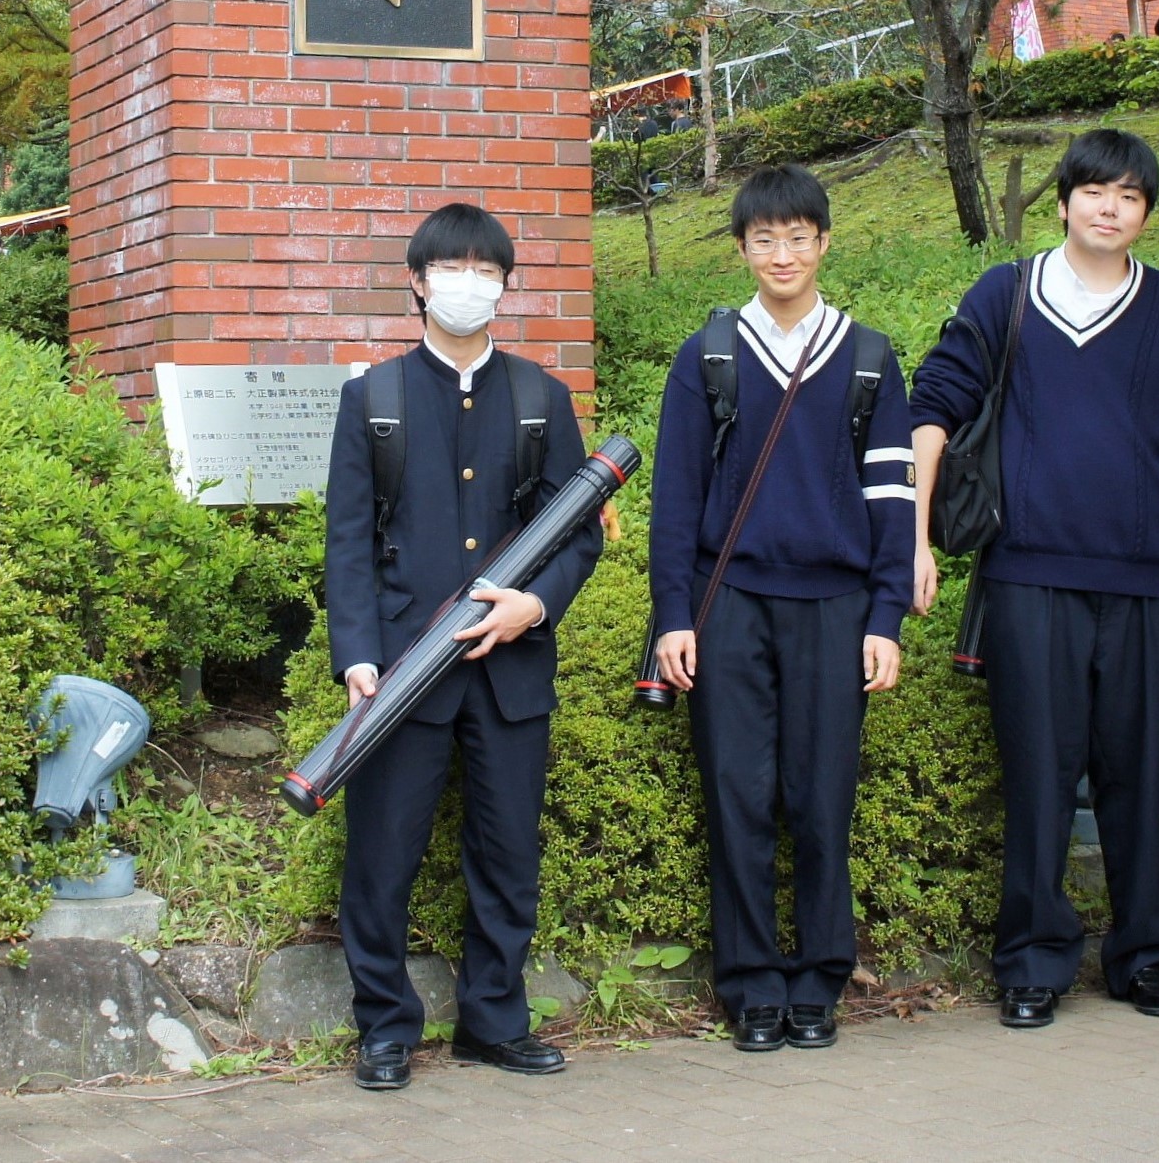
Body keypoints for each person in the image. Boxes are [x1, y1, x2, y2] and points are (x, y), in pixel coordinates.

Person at [908, 127, 1159, 1029]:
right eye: (1094, 191)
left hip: (1140, 581)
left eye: (1129, 197)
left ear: (1143, 214)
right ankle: (1031, 961)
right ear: (1062, 200)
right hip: (1027, 576)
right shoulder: (1006, 294)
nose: (1109, 208)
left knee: (1137, 773)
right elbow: (932, 406)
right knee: (1038, 775)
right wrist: (915, 538)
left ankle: (1144, 957)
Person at [321, 203, 595, 1091]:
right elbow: (349, 540)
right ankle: (386, 1029)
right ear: (417, 280)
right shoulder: (376, 399)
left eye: (487, 271)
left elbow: (579, 533)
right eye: (451, 269)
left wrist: (535, 606)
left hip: (512, 671)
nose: (468, 284)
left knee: (508, 852)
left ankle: (493, 1022)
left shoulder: (539, 396)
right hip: (405, 670)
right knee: (382, 855)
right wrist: (356, 653)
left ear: (505, 287)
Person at [648, 164, 914, 1053]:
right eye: (763, 238)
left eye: (798, 236)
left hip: (834, 605)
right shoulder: (710, 355)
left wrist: (885, 620)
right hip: (729, 606)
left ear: (824, 242)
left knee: (820, 798)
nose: (781, 253)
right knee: (738, 796)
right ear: (740, 248)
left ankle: (819, 980)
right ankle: (753, 983)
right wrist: (671, 617)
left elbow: (891, 500)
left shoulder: (868, 356)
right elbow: (676, 500)